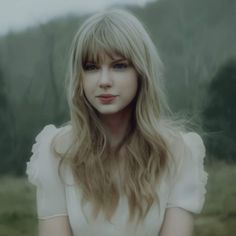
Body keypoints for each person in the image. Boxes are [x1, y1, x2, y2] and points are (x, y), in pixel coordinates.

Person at [26, 8, 208, 236]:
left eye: (119, 65)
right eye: (91, 67)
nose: (104, 81)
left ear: (141, 72)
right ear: (78, 77)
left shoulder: (178, 152)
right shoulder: (56, 152)